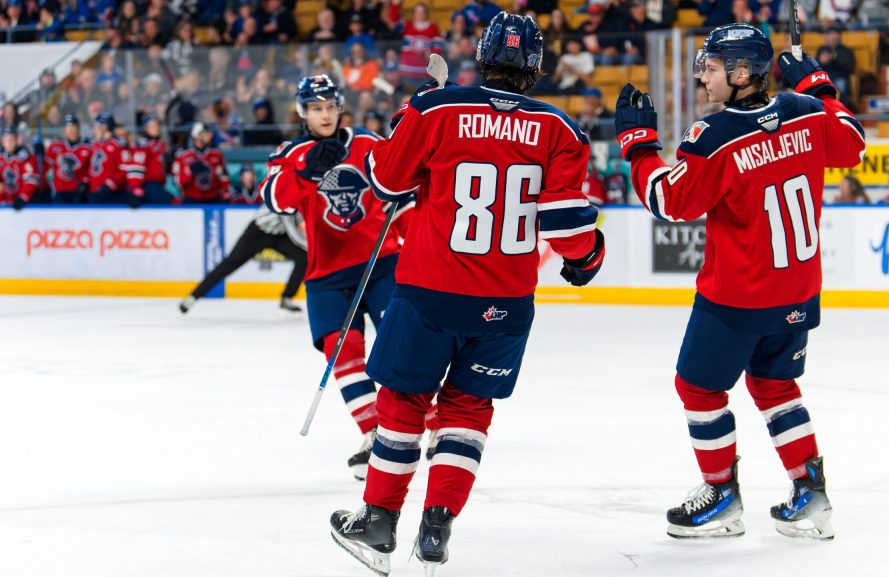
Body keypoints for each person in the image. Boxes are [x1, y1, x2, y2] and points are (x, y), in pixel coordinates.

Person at [329, 13, 605, 576]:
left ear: (480, 55)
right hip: (506, 302)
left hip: (429, 289)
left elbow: (384, 182)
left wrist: (416, 105)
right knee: (468, 412)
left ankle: (379, 522)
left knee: (404, 402)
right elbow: (567, 224)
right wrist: (588, 257)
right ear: (536, 65)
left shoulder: (437, 108)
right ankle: (437, 528)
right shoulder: (561, 128)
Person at [615, 23, 865, 540]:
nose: (701, 78)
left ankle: (721, 496)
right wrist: (819, 85)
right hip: (797, 292)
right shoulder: (808, 111)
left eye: (709, 68)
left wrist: (638, 144)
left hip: (736, 299)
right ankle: (811, 493)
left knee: (698, 388)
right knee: (776, 386)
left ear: (743, 72)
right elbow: (852, 145)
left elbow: (669, 201)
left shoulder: (716, 136)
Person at [260, 75, 424, 480]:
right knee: (344, 357)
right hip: (327, 274)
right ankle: (375, 435)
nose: (325, 114)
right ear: (303, 113)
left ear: (340, 106)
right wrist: (304, 173)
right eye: (316, 108)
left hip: (381, 262)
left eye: (330, 106)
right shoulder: (292, 152)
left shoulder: (366, 143)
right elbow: (273, 200)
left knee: (399, 348)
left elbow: (400, 187)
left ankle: (422, 420)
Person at [179, 205, 308, 315]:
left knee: (303, 258)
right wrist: (310, 247)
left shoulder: (304, 197)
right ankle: (192, 297)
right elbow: (293, 231)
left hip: (279, 235)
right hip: (258, 232)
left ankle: (286, 298)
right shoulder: (287, 194)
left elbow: (300, 225)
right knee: (230, 263)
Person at [172, 123, 230, 203]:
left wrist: (225, 193)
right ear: (196, 136)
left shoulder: (217, 155)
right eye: (205, 133)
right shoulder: (183, 156)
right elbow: (177, 181)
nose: (210, 135)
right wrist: (189, 170)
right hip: (191, 199)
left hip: (213, 199)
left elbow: (224, 177)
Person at [124, 115, 172, 205]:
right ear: (145, 128)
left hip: (160, 185)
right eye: (153, 126)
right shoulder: (143, 145)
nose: (156, 128)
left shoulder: (161, 145)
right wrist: (135, 188)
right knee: (171, 201)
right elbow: (136, 167)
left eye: (157, 125)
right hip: (148, 185)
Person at [45, 114, 92, 204]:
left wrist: (85, 183)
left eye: (73, 127)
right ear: (64, 130)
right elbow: (45, 166)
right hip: (60, 193)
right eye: (68, 128)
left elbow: (91, 170)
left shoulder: (88, 146)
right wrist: (38, 154)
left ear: (78, 128)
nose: (71, 131)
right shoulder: (55, 146)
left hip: (80, 192)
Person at [88, 112, 129, 204]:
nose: (95, 129)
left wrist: (110, 185)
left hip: (113, 193)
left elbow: (124, 169)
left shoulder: (119, 144)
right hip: (95, 192)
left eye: (97, 126)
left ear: (105, 127)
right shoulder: (95, 145)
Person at [0, 126, 41, 210]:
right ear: (2, 141)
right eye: (6, 140)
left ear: (16, 140)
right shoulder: (1, 158)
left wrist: (23, 198)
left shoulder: (25, 157)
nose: (9, 143)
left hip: (23, 205)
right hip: (4, 204)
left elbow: (31, 180)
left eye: (11, 139)